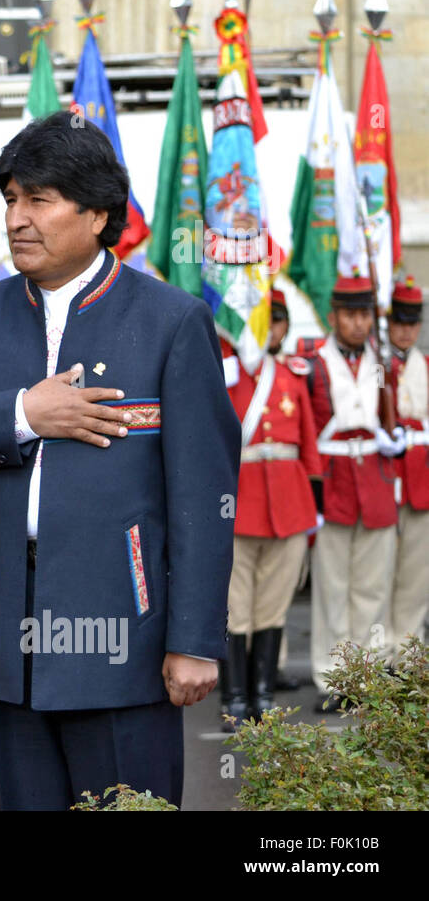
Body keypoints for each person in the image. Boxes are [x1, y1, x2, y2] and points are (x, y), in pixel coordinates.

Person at [0, 111, 239, 810]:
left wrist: (195, 639)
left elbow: (204, 496)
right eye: (11, 199)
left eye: (39, 199)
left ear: (98, 213)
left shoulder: (171, 323)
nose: (18, 218)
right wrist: (23, 414)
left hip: (123, 640)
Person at [221, 287, 319, 729]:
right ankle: (234, 699)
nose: (270, 329)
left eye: (277, 321)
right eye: (264, 320)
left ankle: (263, 696)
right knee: (236, 606)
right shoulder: (226, 373)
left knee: (274, 606)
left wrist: (312, 507)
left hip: (288, 501)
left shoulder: (294, 374)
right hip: (240, 504)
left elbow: (309, 448)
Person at [306, 274, 402, 713]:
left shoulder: (384, 362)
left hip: (376, 480)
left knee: (372, 587)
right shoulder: (314, 363)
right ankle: (332, 677)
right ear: (334, 316)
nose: (358, 323)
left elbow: (396, 412)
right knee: (333, 586)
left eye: (365, 314)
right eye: (350, 314)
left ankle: (369, 672)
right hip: (335, 479)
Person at [386, 279, 429, 658]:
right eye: (399, 321)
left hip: (420, 485)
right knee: (378, 581)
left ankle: (407, 659)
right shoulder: (376, 366)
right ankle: (375, 658)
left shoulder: (425, 366)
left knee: (415, 580)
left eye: (412, 323)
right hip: (383, 483)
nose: (405, 330)